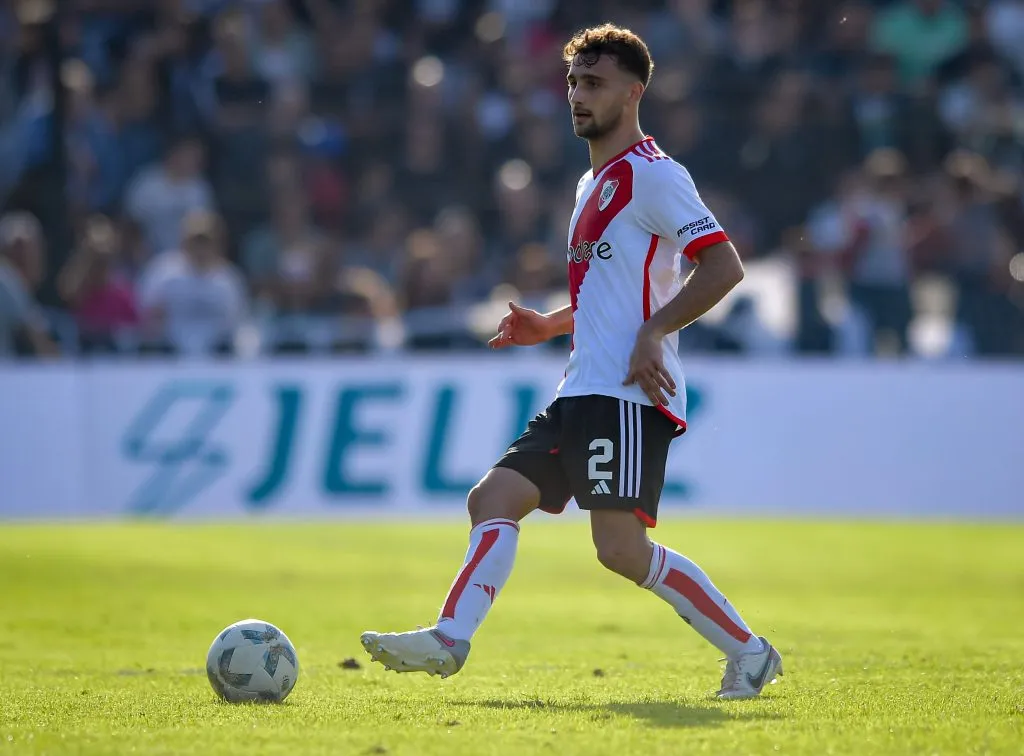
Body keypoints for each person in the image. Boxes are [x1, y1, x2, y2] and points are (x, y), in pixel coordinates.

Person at [361, 24, 783, 700]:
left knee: (619, 550)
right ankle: (449, 637)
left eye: (594, 84)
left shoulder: (654, 174)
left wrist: (655, 332)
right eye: (571, 83)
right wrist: (550, 323)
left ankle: (750, 650)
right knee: (492, 497)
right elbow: (612, 293)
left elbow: (723, 267)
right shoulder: (593, 183)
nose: (577, 97)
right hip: (582, 387)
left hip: (625, 396)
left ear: (634, 92)